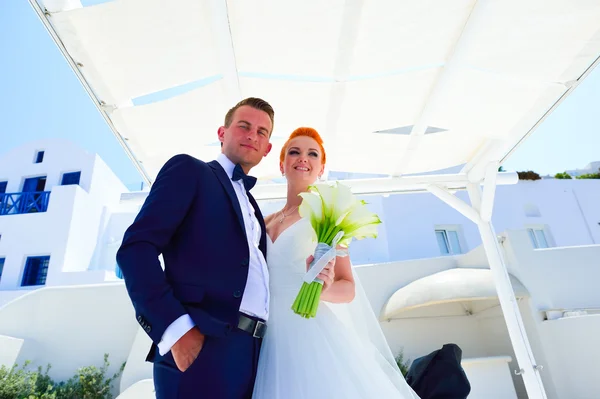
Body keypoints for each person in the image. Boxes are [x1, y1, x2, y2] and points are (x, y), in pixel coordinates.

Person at [116, 97, 275, 398]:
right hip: (202, 344)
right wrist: (176, 329)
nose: (252, 135)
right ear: (221, 133)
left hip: (253, 354)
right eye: (244, 126)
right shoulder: (189, 170)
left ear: (267, 149)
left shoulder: (254, 206)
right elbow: (136, 248)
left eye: (262, 132)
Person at [252, 127, 420, 398]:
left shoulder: (328, 216)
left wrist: (322, 287)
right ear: (282, 164)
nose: (302, 158)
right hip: (265, 335)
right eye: (294, 152)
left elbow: (348, 287)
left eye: (312, 154)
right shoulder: (263, 221)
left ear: (321, 167)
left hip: (308, 332)